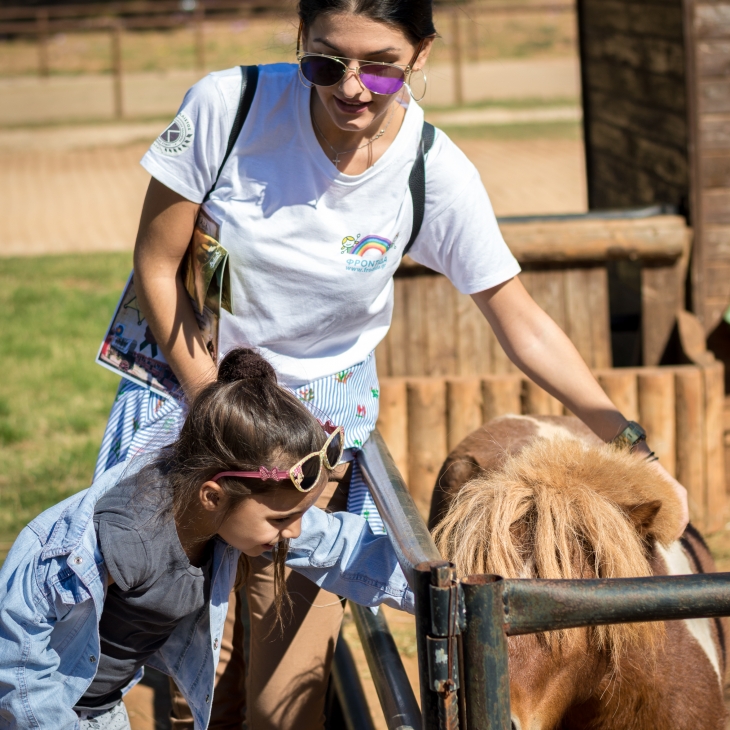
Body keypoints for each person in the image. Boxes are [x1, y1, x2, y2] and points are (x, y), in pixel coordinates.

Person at [92, 0, 691, 725]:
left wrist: (625, 439)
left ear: (422, 53)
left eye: (380, 69)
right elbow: (157, 264)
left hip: (314, 441)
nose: (350, 87)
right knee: (173, 655)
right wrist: (217, 412)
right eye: (324, 62)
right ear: (299, 43)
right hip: (196, 408)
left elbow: (517, 316)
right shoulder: (230, 106)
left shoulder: (432, 172)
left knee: (286, 697)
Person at [0, 349, 413, 730]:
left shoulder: (227, 515)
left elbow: (342, 548)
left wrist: (437, 589)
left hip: (102, 705)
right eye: (283, 517)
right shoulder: (125, 538)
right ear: (214, 495)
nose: (296, 531)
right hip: (43, 711)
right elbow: (17, 655)